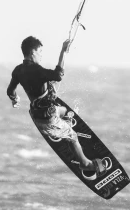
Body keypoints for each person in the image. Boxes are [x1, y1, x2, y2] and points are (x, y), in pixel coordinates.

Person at [6, 36, 109, 177]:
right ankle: (85, 164)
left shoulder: (17, 70)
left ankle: (62, 124)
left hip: (36, 114)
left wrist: (15, 99)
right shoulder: (37, 70)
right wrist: (63, 52)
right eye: (40, 51)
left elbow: (10, 90)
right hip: (47, 118)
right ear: (33, 52)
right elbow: (58, 75)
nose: (41, 55)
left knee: (64, 110)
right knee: (72, 136)